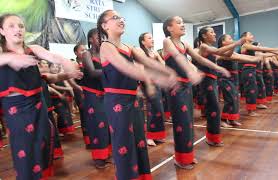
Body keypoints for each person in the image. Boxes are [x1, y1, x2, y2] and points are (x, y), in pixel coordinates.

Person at [97, 10, 177, 180]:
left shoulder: (129, 47)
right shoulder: (106, 46)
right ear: (105, 26)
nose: (121, 20)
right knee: (123, 144)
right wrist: (156, 78)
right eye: (115, 18)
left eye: (121, 17)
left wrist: (170, 72)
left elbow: (148, 61)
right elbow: (125, 67)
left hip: (133, 100)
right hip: (116, 101)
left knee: (139, 141)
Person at [0, 13, 78, 180]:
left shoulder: (33, 49)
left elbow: (52, 57)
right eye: (12, 26)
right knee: (24, 152)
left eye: (21, 26)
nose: (18, 29)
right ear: (1, 31)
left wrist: (66, 62)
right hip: (17, 111)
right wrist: (10, 58)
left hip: (38, 107)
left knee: (42, 147)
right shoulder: (2, 52)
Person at [162, 16, 230, 169]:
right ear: (169, 28)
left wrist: (218, 68)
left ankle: (186, 156)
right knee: (181, 122)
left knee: (188, 121)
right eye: (178, 23)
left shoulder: (185, 43)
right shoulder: (168, 41)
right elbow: (179, 57)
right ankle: (180, 158)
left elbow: (198, 58)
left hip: (186, 87)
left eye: (182, 22)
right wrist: (190, 70)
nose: (182, 25)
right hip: (176, 87)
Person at [81, 28, 112, 168]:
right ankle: (99, 157)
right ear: (90, 40)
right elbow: (92, 72)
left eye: (103, 36)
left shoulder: (106, 53)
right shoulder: (86, 54)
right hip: (92, 94)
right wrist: (113, 69)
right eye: (97, 36)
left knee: (107, 124)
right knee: (97, 124)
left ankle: (107, 153)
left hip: (105, 93)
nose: (101, 39)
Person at [138, 32, 167, 146]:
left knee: (159, 110)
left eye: (152, 37)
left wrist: (157, 57)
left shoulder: (154, 52)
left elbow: (163, 65)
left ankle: (157, 135)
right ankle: (149, 136)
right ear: (143, 41)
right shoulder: (140, 53)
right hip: (148, 83)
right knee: (153, 109)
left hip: (157, 82)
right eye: (149, 38)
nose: (152, 40)